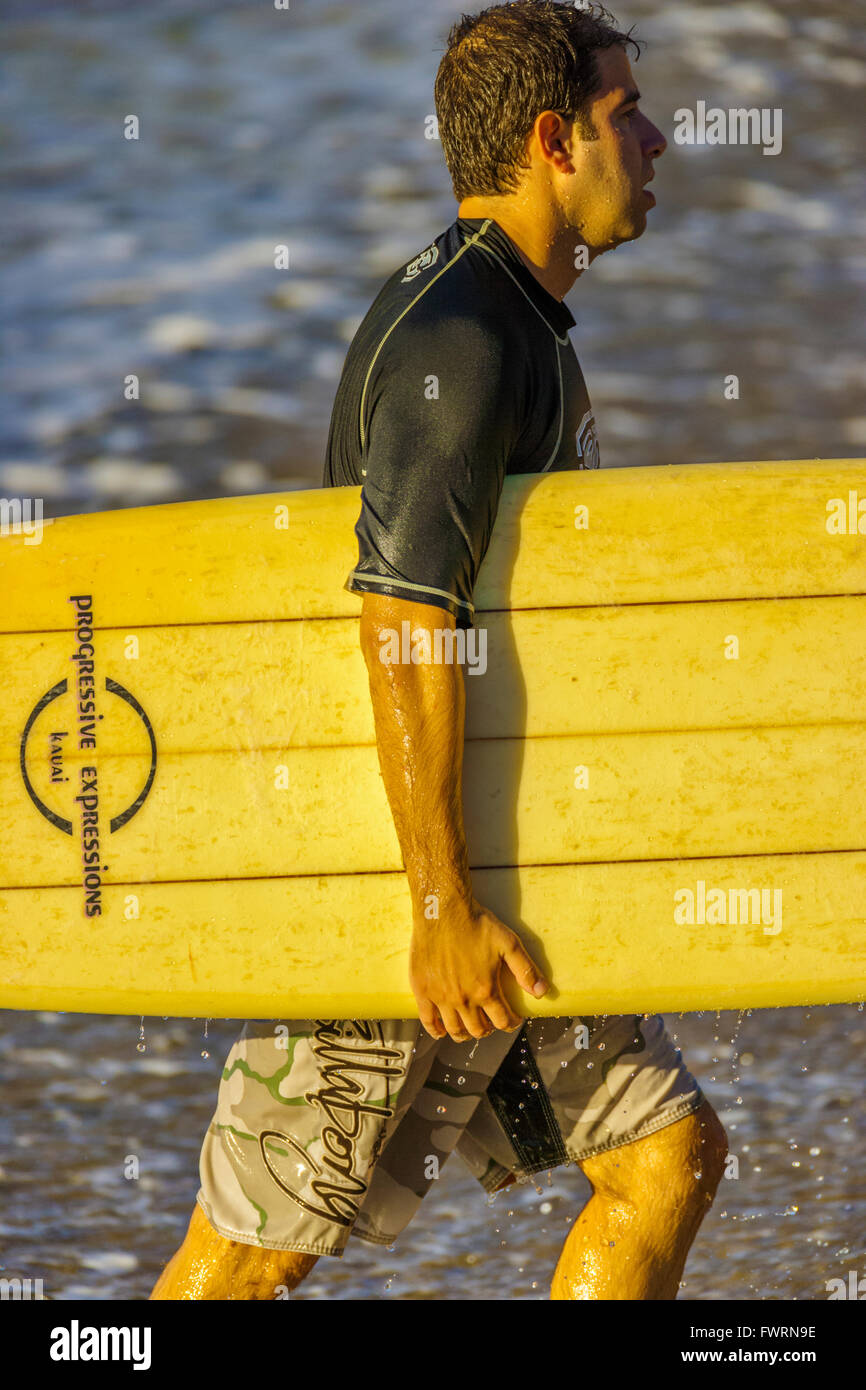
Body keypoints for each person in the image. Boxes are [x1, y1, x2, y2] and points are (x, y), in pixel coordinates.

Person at [152, 0, 727, 1301]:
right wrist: (434, 907)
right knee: (247, 1255)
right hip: (411, 882)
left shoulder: (505, 319)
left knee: (662, 1155)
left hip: (502, 872)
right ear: (548, 140)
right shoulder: (460, 344)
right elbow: (403, 618)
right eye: (623, 112)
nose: (656, 137)